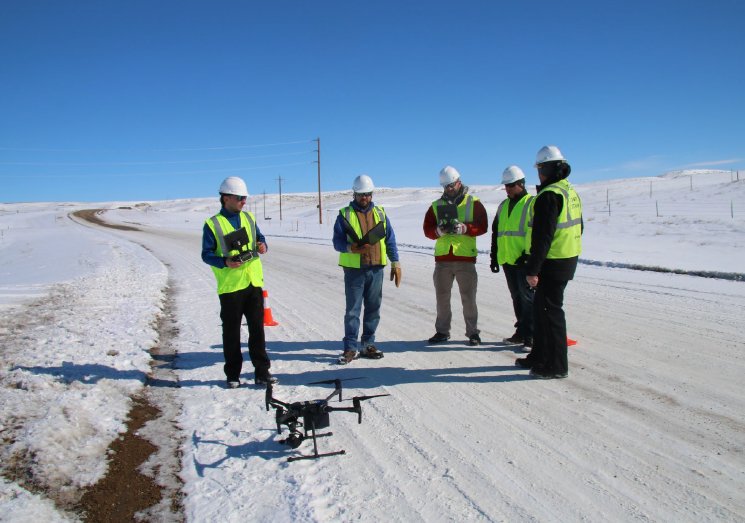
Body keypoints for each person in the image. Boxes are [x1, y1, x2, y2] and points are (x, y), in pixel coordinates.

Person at [201, 176, 277, 388]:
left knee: (257, 331)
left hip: (253, 284)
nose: (244, 201)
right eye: (240, 198)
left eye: (245, 198)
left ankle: (262, 372)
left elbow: (261, 238)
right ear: (226, 198)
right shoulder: (212, 224)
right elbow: (206, 254)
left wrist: (263, 245)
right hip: (231, 287)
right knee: (232, 333)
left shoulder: (249, 218)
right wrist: (224, 261)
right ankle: (233, 375)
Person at [516, 146, 583, 379]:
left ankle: (557, 365)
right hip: (566, 258)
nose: (539, 173)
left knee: (551, 313)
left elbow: (542, 237)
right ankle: (538, 356)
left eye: (540, 168)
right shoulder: (569, 191)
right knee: (540, 310)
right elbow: (579, 226)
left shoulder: (548, 195)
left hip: (553, 262)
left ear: (546, 168)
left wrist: (533, 269)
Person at [332, 174, 402, 364]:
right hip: (354, 269)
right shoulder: (344, 214)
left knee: (373, 309)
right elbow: (337, 241)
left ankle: (368, 344)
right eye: (362, 194)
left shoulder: (380, 213)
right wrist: (351, 248)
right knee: (353, 311)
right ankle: (350, 348)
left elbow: (390, 240)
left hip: (376, 268)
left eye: (368, 194)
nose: (365, 198)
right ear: (354, 194)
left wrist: (395, 262)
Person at [423, 166, 488, 346]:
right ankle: (442, 332)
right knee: (442, 298)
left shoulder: (473, 202)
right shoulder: (436, 205)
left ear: (459, 182)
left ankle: (473, 333)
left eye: (451, 185)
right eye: (446, 187)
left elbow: (483, 225)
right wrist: (438, 231)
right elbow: (427, 229)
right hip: (443, 260)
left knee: (468, 298)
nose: (449, 189)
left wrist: (466, 229)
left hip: (465, 259)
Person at [490, 165, 535, 351]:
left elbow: (535, 232)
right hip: (508, 260)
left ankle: (532, 336)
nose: (507, 189)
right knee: (516, 297)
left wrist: (529, 257)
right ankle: (521, 332)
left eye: (511, 185)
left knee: (528, 299)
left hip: (524, 261)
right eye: (506, 186)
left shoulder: (532, 203)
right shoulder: (503, 205)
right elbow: (496, 232)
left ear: (521, 184)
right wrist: (494, 256)